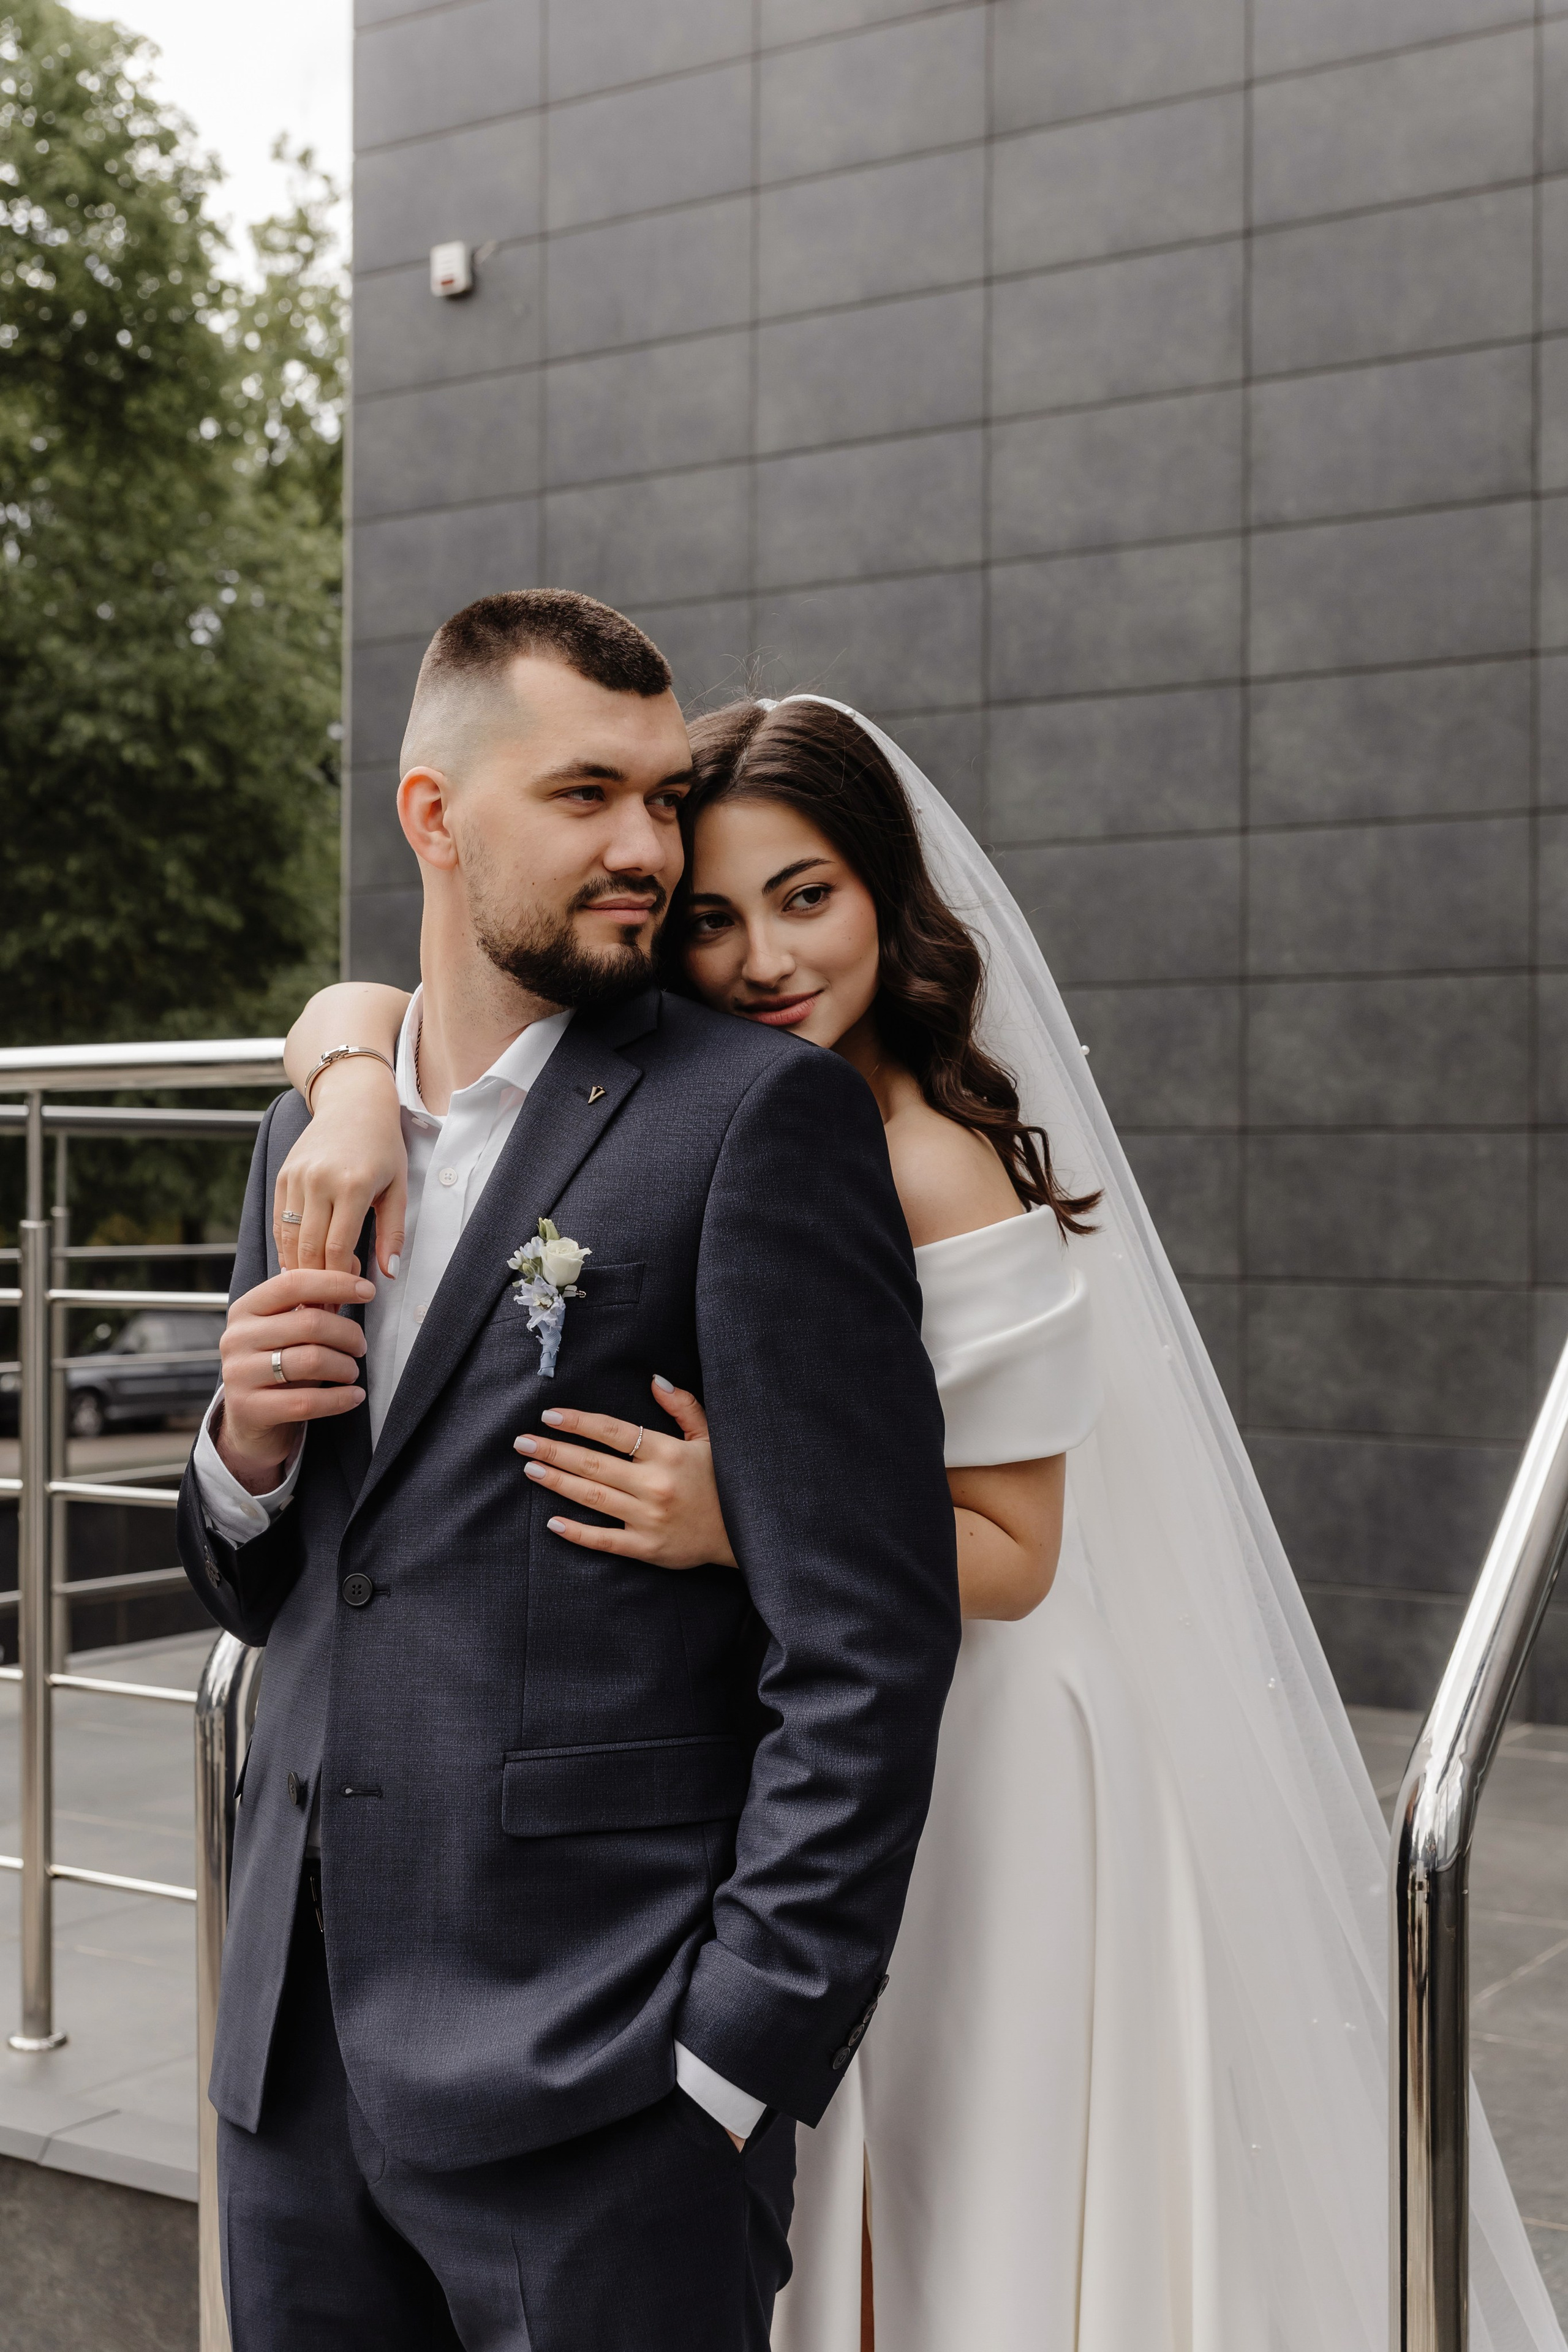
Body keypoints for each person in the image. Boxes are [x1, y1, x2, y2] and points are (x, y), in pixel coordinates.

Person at [281, 688, 1567, 2352]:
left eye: (808, 898)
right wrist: (347, 1081)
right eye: (715, 919)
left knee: (962, 2196)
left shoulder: (930, 1158)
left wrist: (737, 1520)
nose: (763, 960)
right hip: (804, 1734)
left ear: (887, 896)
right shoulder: (703, 1114)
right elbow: (378, 999)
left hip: (983, 1750)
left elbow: (1017, 1558)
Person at [175, 594, 962, 2352]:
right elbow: (264, 1582)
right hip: (294, 2070)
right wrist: (238, 1452)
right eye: (587, 794)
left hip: (607, 2089)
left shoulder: (757, 1120)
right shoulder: (315, 1123)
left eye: (664, 797)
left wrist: (733, 2054)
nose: (647, 848)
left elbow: (872, 1640)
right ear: (434, 815)